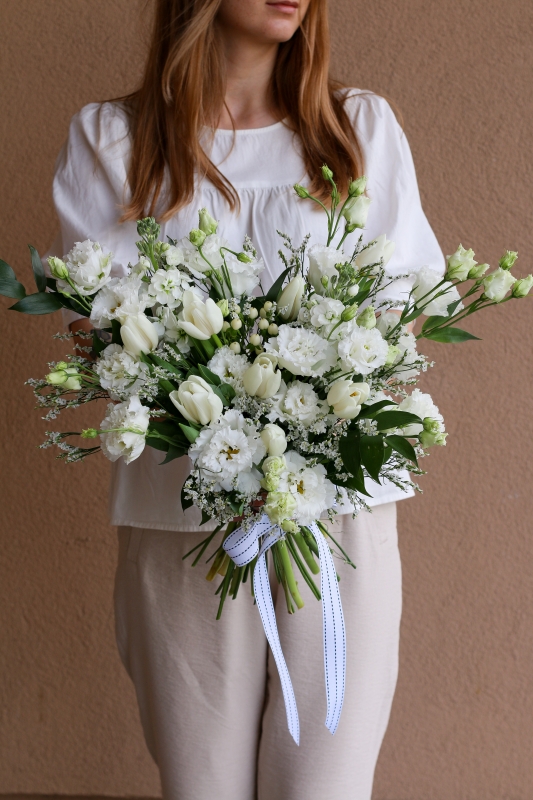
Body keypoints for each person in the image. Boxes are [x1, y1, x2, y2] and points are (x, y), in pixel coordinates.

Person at [49, 0, 444, 797]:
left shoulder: (355, 129)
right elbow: (107, 324)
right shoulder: (115, 140)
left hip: (337, 512)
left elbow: (397, 311)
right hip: (181, 510)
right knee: (201, 785)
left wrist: (303, 411)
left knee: (325, 785)